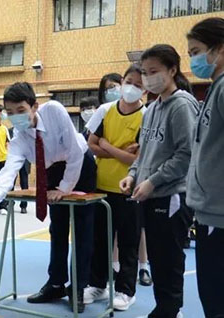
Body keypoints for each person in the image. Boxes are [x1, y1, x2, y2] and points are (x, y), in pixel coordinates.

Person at [0, 82, 97, 313]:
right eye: (10, 113)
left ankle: (79, 288)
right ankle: (55, 283)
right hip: (52, 170)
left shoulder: (54, 110)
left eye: (21, 110)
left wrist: (64, 189)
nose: (16, 117)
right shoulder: (19, 138)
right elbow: (8, 172)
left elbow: (74, 152)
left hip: (81, 166)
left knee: (82, 229)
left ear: (35, 106)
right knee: (58, 228)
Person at [119, 44, 198, 318]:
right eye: (144, 72)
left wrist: (152, 181)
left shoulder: (182, 105)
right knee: (157, 257)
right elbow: (144, 153)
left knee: (169, 259)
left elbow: (186, 154)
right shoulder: (152, 108)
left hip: (172, 196)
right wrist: (132, 176)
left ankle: (170, 310)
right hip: (150, 196)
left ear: (172, 70)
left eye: (154, 72)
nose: (148, 78)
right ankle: (165, 308)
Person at [85, 64, 146, 311]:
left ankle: (125, 290)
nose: (132, 87)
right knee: (100, 240)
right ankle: (98, 285)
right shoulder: (106, 110)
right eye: (129, 81)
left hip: (130, 188)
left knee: (129, 242)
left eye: (139, 85)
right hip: (101, 186)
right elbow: (91, 144)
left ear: (144, 90)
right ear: (122, 81)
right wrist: (121, 151)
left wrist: (108, 147)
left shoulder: (147, 115)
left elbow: (137, 159)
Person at [186, 17, 224, 318]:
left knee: (215, 299)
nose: (193, 59)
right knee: (211, 297)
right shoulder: (214, 89)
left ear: (219, 49)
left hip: (220, 215)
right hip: (210, 211)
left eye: (196, 51)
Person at [8, 127, 31, 214]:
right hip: (13, 158)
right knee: (11, 182)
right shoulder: (9, 131)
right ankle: (10, 203)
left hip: (25, 158)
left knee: (24, 182)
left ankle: (23, 205)